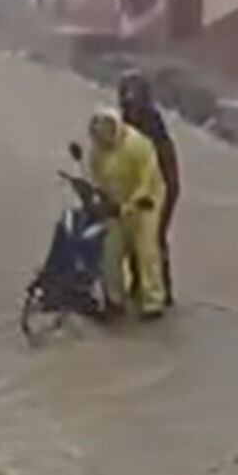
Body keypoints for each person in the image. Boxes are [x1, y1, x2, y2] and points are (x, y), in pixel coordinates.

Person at [87, 107, 167, 319]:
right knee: (110, 250)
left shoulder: (138, 145)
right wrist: (100, 198)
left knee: (146, 251)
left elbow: (147, 179)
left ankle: (153, 300)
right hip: (116, 203)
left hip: (144, 204)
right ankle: (114, 298)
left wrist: (131, 205)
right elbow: (96, 175)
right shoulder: (97, 150)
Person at [119, 70, 181, 306]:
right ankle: (139, 284)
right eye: (125, 94)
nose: (128, 100)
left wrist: (164, 198)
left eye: (133, 95)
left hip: (162, 186)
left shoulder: (153, 127)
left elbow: (165, 166)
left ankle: (162, 290)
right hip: (136, 186)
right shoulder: (125, 122)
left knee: (154, 238)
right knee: (133, 235)